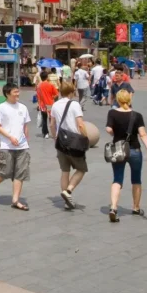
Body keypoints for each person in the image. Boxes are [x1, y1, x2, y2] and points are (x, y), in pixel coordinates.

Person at [105, 88, 147, 222]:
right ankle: (136, 207)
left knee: (117, 179)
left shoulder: (112, 113)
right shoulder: (137, 115)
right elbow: (143, 134)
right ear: (129, 99)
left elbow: (109, 129)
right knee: (136, 180)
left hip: (118, 149)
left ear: (117, 99)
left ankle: (113, 207)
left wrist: (114, 132)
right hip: (134, 150)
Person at [0, 83, 31, 211]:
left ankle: (15, 200)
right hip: (7, 145)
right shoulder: (2, 108)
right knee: (5, 172)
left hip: (22, 146)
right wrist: (10, 137)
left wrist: (25, 139)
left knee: (20, 173)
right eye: (15, 92)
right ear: (8, 94)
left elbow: (25, 125)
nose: (17, 94)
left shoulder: (23, 108)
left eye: (18, 91)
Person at [51, 81, 88, 210]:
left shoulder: (55, 105)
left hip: (61, 142)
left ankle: (67, 201)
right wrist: (85, 138)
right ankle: (69, 191)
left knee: (65, 171)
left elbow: (52, 124)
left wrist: (55, 137)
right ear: (72, 92)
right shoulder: (74, 104)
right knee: (81, 169)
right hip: (74, 141)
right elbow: (80, 124)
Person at [35, 72, 58, 139]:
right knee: (52, 119)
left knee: (44, 119)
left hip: (42, 105)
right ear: (47, 77)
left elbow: (38, 96)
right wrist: (52, 97)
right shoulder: (50, 85)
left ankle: (45, 133)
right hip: (50, 104)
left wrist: (38, 104)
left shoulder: (38, 86)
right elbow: (56, 94)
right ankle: (54, 133)